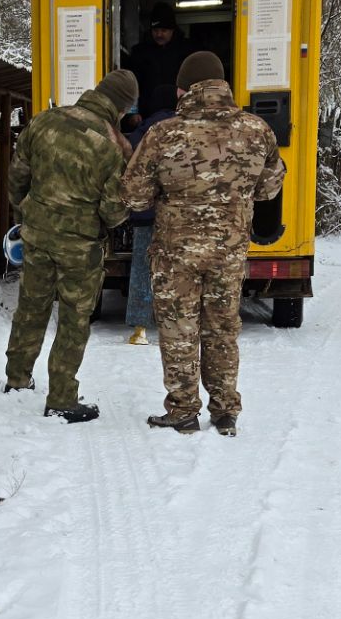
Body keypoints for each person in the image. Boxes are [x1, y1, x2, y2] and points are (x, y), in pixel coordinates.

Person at [121, 51, 284, 437]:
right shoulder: (257, 130)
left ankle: (182, 411)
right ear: (222, 85)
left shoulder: (162, 134)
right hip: (228, 252)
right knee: (222, 328)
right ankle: (225, 411)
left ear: (183, 89)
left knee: (179, 329)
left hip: (176, 252)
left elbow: (134, 196)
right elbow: (268, 188)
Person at [4, 68, 138, 423]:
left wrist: (27, 213)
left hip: (37, 234)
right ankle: (62, 397)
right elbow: (111, 212)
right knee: (73, 319)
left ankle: (16, 379)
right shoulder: (112, 146)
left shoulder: (45, 120)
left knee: (31, 305)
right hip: (79, 248)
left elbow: (17, 175)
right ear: (122, 109)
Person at [123, 83, 178, 345]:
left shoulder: (149, 127)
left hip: (148, 211)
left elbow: (130, 152)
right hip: (182, 214)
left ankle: (140, 328)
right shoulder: (191, 125)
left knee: (143, 265)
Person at [124, 4, 193, 100]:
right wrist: (133, 112)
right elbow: (131, 84)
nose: (159, 34)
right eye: (155, 30)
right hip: (147, 112)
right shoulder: (139, 52)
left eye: (163, 30)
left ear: (172, 30)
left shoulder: (187, 51)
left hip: (179, 109)